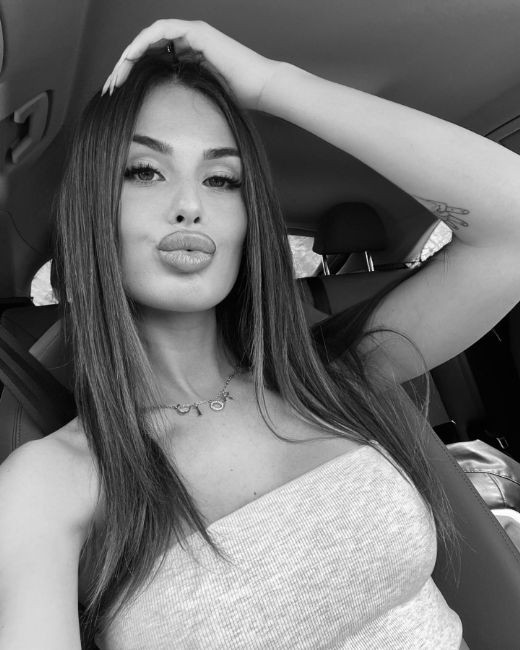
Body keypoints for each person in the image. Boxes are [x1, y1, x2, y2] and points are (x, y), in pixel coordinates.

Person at [5, 17, 520, 650]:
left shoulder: (331, 376)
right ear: (91, 207)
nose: (190, 204)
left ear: (248, 221)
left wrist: (274, 83)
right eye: (144, 171)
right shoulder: (51, 484)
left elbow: (512, 223)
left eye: (222, 179)